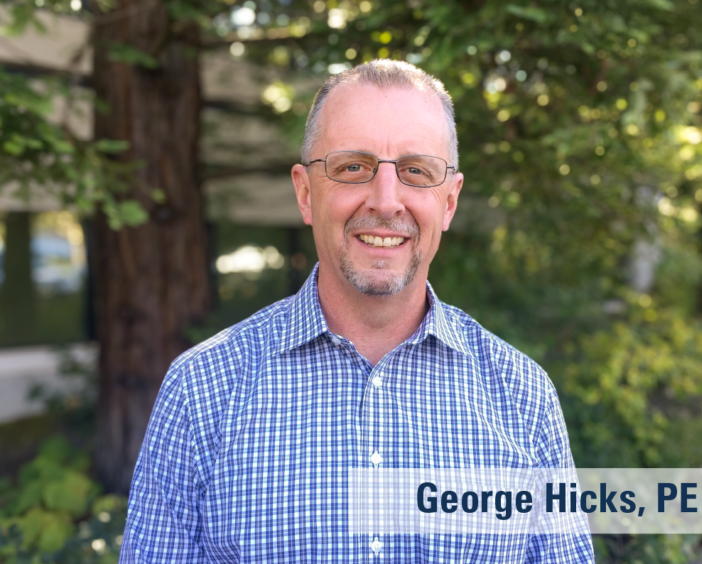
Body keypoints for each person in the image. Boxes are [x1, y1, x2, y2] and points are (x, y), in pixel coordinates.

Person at [119, 60, 594, 563]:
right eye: (352, 168)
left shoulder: (522, 395)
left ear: (449, 202)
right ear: (305, 193)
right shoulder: (201, 390)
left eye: (416, 171)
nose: (387, 202)